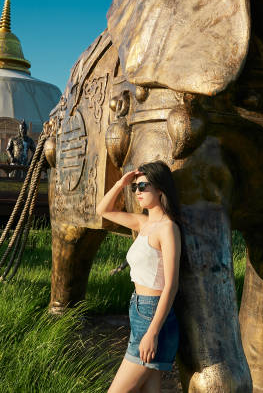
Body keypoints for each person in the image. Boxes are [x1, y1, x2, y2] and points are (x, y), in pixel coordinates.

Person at [97, 161, 182, 393]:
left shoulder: (168, 229)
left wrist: (152, 333)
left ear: (161, 189)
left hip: (154, 316)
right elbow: (102, 211)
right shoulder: (143, 223)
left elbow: (171, 286)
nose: (138, 192)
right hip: (139, 311)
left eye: (143, 186)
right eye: (135, 188)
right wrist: (121, 183)